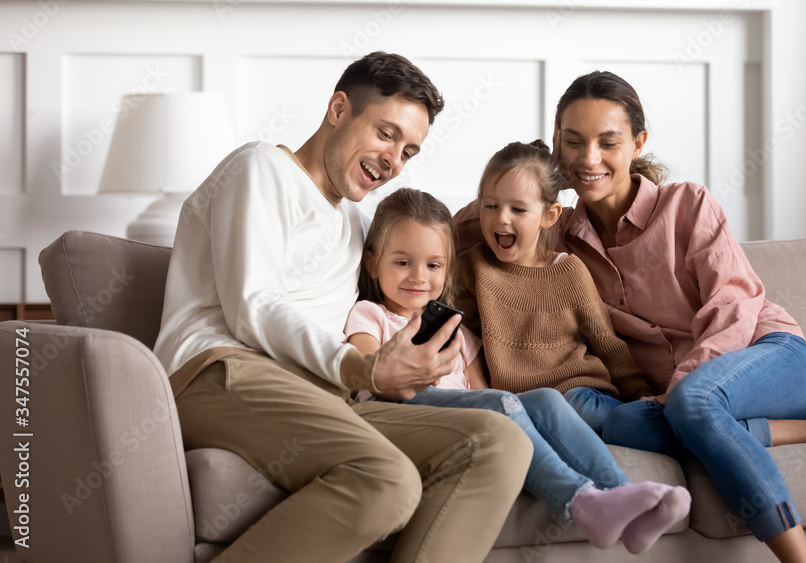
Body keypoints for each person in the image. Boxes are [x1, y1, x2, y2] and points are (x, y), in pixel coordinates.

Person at [455, 71, 806, 563]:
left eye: (608, 142)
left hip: (771, 359)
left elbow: (734, 306)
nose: (588, 158)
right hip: (684, 403)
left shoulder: (687, 205)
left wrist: (682, 386)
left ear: (638, 142)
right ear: (557, 143)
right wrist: (503, 197)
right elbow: (475, 219)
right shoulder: (559, 233)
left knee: (692, 402)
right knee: (621, 426)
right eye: (573, 142)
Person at [153, 52, 533, 563]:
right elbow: (255, 306)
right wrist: (361, 367)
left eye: (410, 151)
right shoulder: (260, 168)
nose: (394, 160)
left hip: (325, 396)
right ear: (338, 109)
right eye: (386, 133)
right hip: (220, 371)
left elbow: (430, 239)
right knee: (388, 479)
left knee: (501, 442)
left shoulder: (357, 225)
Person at [345, 185, 690, 554]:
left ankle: (624, 500)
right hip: (404, 413)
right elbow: (369, 373)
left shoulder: (456, 330)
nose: (418, 277)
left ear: (447, 270)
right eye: (401, 262)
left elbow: (477, 391)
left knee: (546, 399)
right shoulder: (370, 316)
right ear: (372, 263)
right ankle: (583, 504)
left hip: (462, 413)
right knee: (504, 407)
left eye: (433, 265)